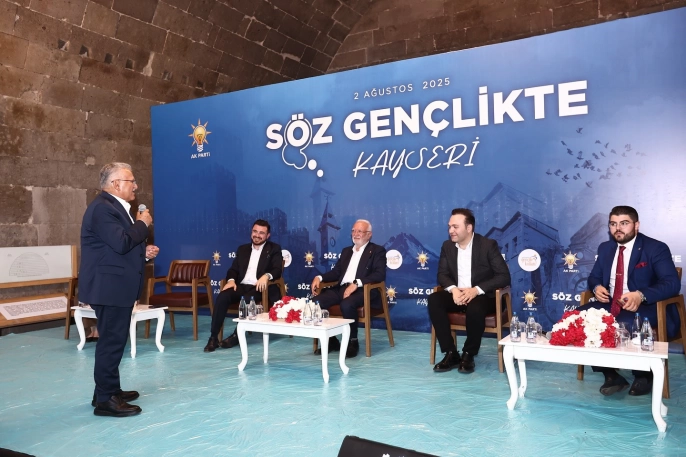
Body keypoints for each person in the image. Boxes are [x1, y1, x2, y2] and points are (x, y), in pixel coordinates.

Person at [79, 162, 159, 417]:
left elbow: (115, 249)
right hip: (109, 287)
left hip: (114, 285)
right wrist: (142, 224)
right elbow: (122, 242)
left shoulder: (113, 207)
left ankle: (107, 390)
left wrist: (142, 254)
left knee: (114, 340)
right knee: (111, 342)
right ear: (115, 184)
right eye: (131, 181)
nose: (136, 185)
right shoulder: (103, 208)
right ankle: (106, 400)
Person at [580, 205, 680, 396]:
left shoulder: (655, 248)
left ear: (636, 225)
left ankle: (643, 375)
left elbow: (672, 283)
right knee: (578, 319)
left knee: (623, 324)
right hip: (610, 303)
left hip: (647, 305)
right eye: (613, 224)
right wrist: (597, 287)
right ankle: (610, 375)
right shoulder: (605, 248)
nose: (618, 228)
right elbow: (594, 277)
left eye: (624, 223)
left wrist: (640, 294)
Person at [428, 208, 511, 374]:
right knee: (434, 300)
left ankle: (468, 354)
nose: (451, 231)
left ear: (469, 228)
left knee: (475, 307)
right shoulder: (447, 246)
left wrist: (476, 290)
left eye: (455, 227)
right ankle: (451, 353)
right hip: (458, 294)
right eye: (449, 227)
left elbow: (504, 276)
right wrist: (453, 290)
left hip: (484, 296)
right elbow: (442, 275)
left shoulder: (487, 245)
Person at [310, 219, 386, 358]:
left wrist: (357, 283)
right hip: (341, 288)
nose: (355, 234)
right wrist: (319, 277)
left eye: (359, 231)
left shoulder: (377, 251)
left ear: (369, 234)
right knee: (316, 303)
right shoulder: (346, 251)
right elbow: (337, 272)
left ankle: (353, 341)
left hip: (364, 290)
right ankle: (331, 341)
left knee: (347, 304)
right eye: (353, 231)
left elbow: (379, 274)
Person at [204, 220, 283, 352]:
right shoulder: (243, 249)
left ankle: (236, 336)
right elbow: (233, 269)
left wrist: (266, 276)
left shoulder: (274, 248)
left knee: (246, 300)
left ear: (268, 235)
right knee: (222, 296)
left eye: (261, 233)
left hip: (259, 287)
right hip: (241, 286)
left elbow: (277, 269)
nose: (257, 235)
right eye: (255, 231)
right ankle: (213, 337)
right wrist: (231, 280)